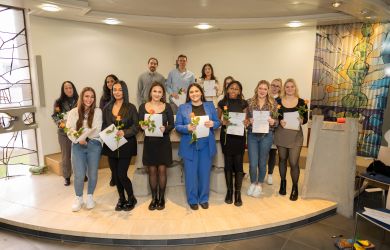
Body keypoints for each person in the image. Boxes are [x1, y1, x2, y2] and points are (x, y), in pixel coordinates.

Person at [175, 83, 220, 210]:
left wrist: (213, 123)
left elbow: (218, 122)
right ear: (188, 95)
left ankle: (204, 198)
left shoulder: (210, 106)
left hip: (206, 144)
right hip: (190, 145)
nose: (194, 94)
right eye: (191, 92)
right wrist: (187, 127)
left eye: (196, 91)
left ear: (201, 92)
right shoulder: (183, 108)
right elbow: (177, 126)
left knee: (204, 173)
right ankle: (192, 199)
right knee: (191, 173)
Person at [102, 80, 139, 211]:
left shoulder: (131, 107)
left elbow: (136, 126)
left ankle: (131, 197)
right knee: (115, 175)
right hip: (111, 145)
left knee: (122, 174)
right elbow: (103, 126)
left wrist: (125, 132)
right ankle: (121, 198)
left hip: (126, 145)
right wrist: (108, 133)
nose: (117, 92)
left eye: (120, 90)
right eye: (115, 90)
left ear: (124, 91)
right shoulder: (106, 108)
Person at [66, 87, 102, 212]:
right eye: (86, 96)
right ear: (82, 97)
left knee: (92, 173)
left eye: (92, 97)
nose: (89, 99)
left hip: (94, 144)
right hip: (77, 145)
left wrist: (84, 137)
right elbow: (69, 130)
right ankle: (79, 198)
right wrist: (78, 138)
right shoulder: (73, 112)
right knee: (79, 174)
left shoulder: (98, 111)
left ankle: (90, 196)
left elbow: (97, 129)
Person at [139, 82, 174, 211]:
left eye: (160, 92)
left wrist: (165, 128)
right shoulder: (143, 107)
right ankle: (154, 198)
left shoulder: (167, 106)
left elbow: (172, 125)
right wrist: (142, 126)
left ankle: (161, 198)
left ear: (163, 94)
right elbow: (139, 123)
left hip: (163, 142)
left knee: (162, 170)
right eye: (155, 91)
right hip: (150, 143)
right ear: (150, 92)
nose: (157, 94)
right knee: (152, 171)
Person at [274, 78, 308, 201]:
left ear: (295, 88)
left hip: (296, 135)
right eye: (287, 87)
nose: (289, 89)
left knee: (294, 162)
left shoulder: (302, 102)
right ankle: (283, 183)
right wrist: (279, 121)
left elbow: (305, 120)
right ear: (284, 88)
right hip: (281, 133)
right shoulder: (277, 101)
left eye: (292, 86)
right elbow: (274, 116)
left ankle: (295, 187)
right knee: (282, 159)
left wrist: (302, 120)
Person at [217, 80, 248, 206]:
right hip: (227, 137)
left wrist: (247, 122)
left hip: (239, 137)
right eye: (231, 88)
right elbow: (217, 119)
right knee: (228, 164)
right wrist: (222, 122)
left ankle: (238, 193)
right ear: (227, 89)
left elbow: (246, 120)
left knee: (239, 165)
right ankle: (229, 192)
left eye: (236, 89)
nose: (234, 90)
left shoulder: (243, 103)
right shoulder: (222, 102)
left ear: (240, 91)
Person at [246, 80, 278, 198]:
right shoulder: (249, 102)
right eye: (260, 88)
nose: (262, 91)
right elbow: (245, 120)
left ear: (268, 90)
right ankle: (253, 182)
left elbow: (277, 121)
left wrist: (273, 121)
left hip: (267, 135)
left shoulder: (273, 103)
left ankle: (259, 184)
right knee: (253, 163)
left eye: (265, 89)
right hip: (252, 135)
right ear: (257, 89)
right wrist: (249, 121)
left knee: (262, 162)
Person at [51, 81, 79, 186]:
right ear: (63, 90)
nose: (68, 90)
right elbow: (55, 116)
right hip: (64, 133)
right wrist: (61, 124)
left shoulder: (79, 100)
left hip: (77, 132)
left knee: (79, 155)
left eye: (70, 87)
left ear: (73, 88)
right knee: (66, 156)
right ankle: (67, 176)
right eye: (66, 88)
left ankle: (81, 174)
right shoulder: (58, 102)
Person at [99, 74, 119, 186]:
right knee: (111, 155)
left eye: (112, 81)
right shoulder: (103, 98)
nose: (110, 83)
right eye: (108, 82)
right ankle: (113, 176)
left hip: (119, 128)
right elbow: (102, 114)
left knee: (118, 155)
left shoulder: (121, 94)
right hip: (108, 129)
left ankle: (118, 176)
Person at [267, 78, 283, 185]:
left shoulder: (282, 101)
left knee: (272, 153)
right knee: (261, 153)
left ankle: (270, 174)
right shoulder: (265, 97)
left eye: (277, 86)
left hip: (275, 131)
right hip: (262, 130)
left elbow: (282, 117)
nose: (274, 87)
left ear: (280, 88)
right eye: (273, 85)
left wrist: (275, 121)